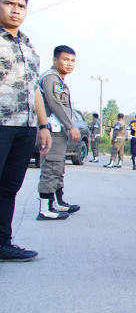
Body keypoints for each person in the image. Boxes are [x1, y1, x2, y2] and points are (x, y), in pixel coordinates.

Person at [0, 0, 52, 261]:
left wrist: (43, 126)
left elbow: (34, 89)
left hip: (24, 127)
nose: (15, 10)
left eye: (21, 6)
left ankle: (3, 243)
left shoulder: (29, 47)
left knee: (9, 187)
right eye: (9, 3)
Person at [36, 45, 82, 220]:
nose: (69, 64)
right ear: (55, 60)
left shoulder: (59, 79)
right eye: (65, 59)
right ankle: (45, 209)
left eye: (72, 61)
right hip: (51, 131)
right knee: (51, 167)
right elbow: (55, 104)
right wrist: (71, 125)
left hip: (57, 131)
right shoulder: (51, 79)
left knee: (58, 167)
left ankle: (56, 202)